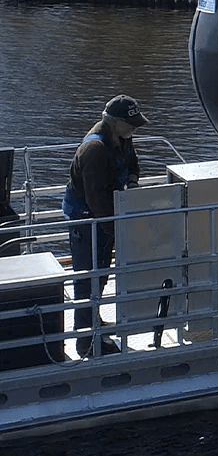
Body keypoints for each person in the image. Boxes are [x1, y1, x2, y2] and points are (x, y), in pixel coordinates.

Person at [62, 94, 149, 357]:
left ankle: (94, 320)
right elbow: (96, 199)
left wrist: (132, 183)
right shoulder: (96, 150)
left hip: (106, 214)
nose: (135, 128)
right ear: (114, 122)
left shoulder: (123, 137)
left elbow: (132, 163)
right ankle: (86, 341)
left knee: (100, 275)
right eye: (130, 123)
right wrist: (116, 230)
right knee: (88, 278)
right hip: (87, 219)